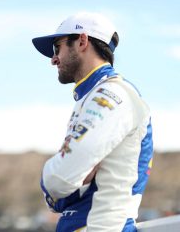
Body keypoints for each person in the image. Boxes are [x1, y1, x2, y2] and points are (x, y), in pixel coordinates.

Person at [32, 12, 153, 231]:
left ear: (82, 41)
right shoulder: (94, 95)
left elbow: (60, 178)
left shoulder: (112, 94)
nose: (53, 59)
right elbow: (69, 178)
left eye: (57, 47)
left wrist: (49, 177)